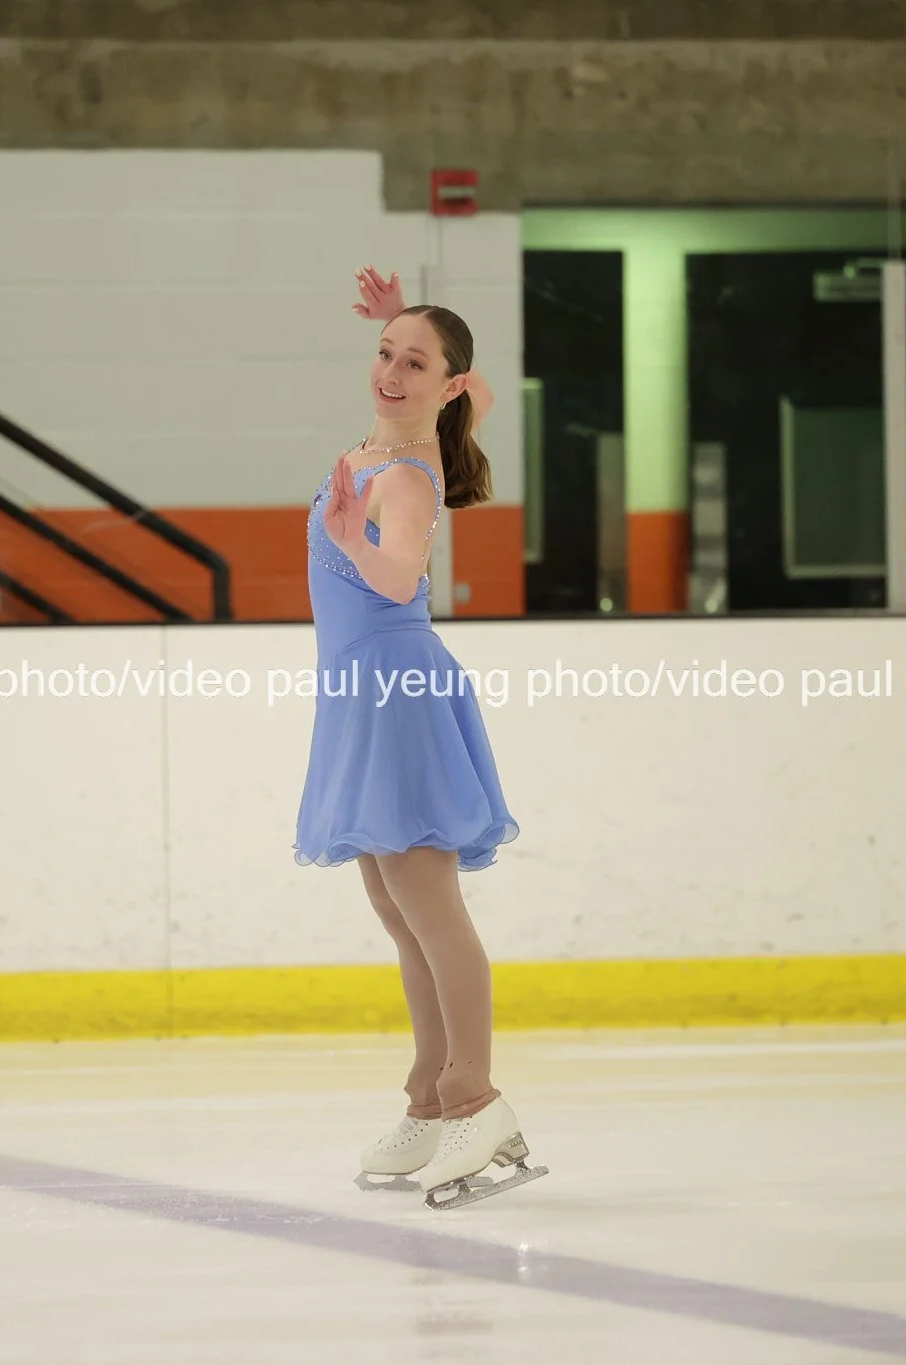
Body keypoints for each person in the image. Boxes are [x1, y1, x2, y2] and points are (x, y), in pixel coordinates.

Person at [293, 267, 542, 1210]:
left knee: (430, 908)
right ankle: (432, 1097)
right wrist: (408, 319)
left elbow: (398, 578)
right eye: (385, 353)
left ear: (444, 386)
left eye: (414, 364)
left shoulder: (401, 474)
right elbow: (477, 392)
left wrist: (354, 538)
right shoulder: (397, 441)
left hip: (394, 688)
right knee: (397, 906)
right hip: (361, 691)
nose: (390, 373)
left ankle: (476, 1100)